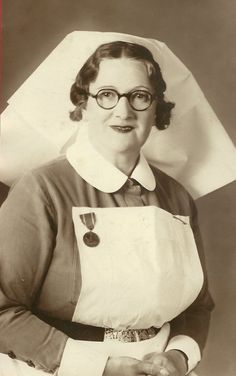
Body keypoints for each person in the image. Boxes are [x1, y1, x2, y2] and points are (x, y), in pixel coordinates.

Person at [0, 41, 214, 376]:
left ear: (156, 109)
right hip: (58, 368)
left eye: (140, 96)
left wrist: (179, 356)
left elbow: (198, 306)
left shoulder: (177, 197)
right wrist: (98, 367)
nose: (124, 111)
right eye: (107, 95)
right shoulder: (44, 189)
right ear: (83, 104)